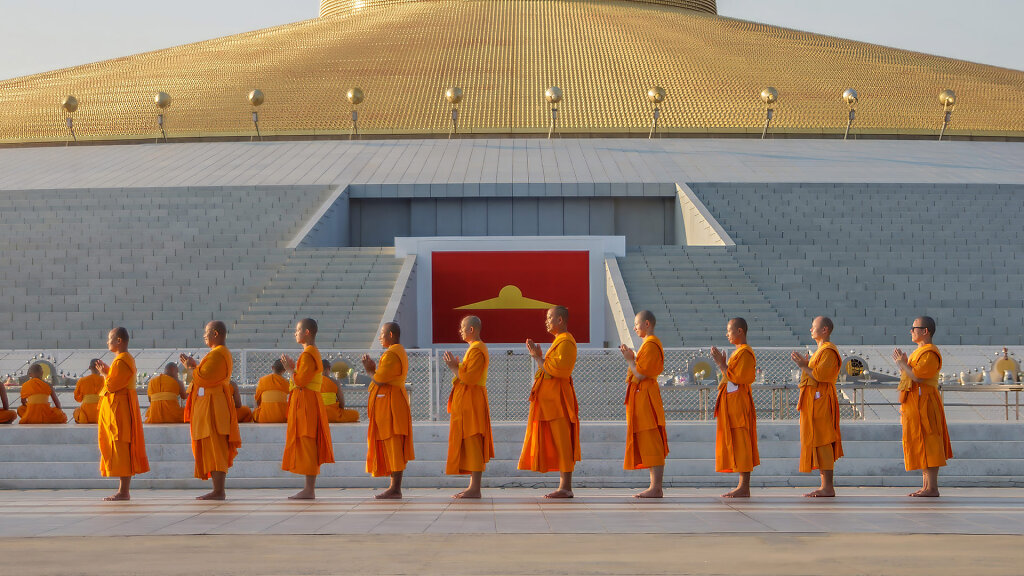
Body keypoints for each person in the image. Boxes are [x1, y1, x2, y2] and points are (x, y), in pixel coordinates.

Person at [518, 306, 580, 499]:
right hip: (549, 402)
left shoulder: (566, 341)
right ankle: (563, 486)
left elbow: (560, 370)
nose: (546, 321)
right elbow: (548, 368)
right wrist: (539, 358)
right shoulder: (558, 342)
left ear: (560, 320)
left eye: (549, 317)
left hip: (558, 402)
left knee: (562, 442)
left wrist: (538, 358)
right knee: (556, 442)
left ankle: (566, 487)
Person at [892, 315, 953, 497]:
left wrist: (902, 363)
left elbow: (918, 377)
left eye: (914, 328)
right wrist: (902, 365)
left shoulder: (930, 353)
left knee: (930, 442)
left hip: (925, 403)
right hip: (914, 403)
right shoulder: (918, 352)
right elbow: (911, 376)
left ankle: (932, 487)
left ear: (925, 331)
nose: (911, 331)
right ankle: (926, 485)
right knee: (921, 443)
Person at [181, 321, 242, 500]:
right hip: (208, 405)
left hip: (214, 407)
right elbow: (203, 375)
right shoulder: (215, 354)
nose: (204, 336)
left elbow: (204, 377)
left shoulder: (219, 354)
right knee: (211, 447)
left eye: (206, 333)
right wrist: (195, 367)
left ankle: (218, 490)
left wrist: (192, 368)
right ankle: (217, 489)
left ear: (215, 333)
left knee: (216, 447)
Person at [280, 318, 335, 500]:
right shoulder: (309, 353)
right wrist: (293, 369)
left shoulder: (309, 353)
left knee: (309, 442)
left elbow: (301, 381)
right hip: (306, 401)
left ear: (307, 332)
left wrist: (289, 369)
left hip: (307, 403)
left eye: (298, 330)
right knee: (307, 442)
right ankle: (308, 488)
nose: (295, 333)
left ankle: (309, 489)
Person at [361, 322, 415, 499]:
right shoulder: (394, 352)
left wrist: (370, 371)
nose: (380, 337)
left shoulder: (393, 354)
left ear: (391, 335)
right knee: (391, 445)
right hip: (389, 403)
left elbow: (380, 379)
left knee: (393, 444)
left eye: (382, 334)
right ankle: (394, 487)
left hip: (392, 405)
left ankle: (395, 488)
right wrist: (374, 371)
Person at [94, 327, 149, 500]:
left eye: (110, 338)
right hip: (119, 408)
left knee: (122, 446)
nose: (107, 342)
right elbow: (116, 381)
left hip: (121, 410)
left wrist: (104, 374)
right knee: (119, 446)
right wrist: (108, 373)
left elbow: (112, 386)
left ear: (119, 340)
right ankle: (122, 490)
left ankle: (123, 491)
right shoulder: (120, 360)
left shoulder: (123, 360)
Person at [791, 316, 843, 497]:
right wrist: (805, 365)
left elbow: (820, 376)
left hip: (821, 402)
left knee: (823, 441)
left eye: (814, 327)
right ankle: (824, 485)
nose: (810, 330)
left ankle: (827, 486)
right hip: (813, 402)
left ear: (825, 330)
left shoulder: (829, 350)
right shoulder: (820, 351)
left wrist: (803, 366)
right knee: (817, 441)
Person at [618, 310, 668, 498]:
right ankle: (654, 486)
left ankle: (656, 487)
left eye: (637, 324)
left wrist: (630, 360)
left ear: (647, 324)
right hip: (642, 397)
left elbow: (640, 374)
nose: (634, 327)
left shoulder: (652, 345)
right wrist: (633, 358)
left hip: (646, 397)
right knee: (648, 440)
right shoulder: (647, 345)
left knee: (652, 440)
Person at [442, 315, 493, 499]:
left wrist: (453, 367)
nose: (460, 331)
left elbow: (470, 378)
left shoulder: (477, 350)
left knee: (473, 441)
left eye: (462, 328)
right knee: (469, 443)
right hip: (467, 402)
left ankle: (475, 488)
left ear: (472, 329)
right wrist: (457, 366)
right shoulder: (472, 349)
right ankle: (472, 486)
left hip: (473, 401)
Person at [710, 317, 758, 498]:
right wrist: (723, 364)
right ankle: (741, 485)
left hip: (739, 405)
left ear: (740, 331)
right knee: (737, 443)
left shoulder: (745, 353)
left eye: (729, 330)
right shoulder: (738, 352)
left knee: (742, 442)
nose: (726, 333)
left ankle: (744, 486)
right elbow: (731, 376)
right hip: (732, 404)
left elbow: (739, 378)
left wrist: (721, 364)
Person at [73, 359, 104, 424]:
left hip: (86, 415)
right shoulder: (105, 380)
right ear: (102, 367)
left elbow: (77, 398)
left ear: (89, 368)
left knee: (76, 411)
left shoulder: (82, 380)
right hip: (101, 413)